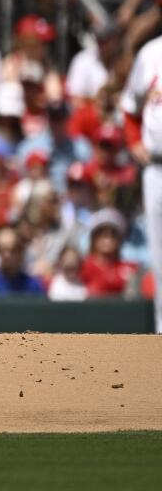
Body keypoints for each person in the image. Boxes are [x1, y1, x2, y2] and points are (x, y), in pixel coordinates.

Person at [119, 32, 162, 331]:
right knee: (160, 256)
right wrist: (134, 141)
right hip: (156, 169)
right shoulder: (150, 52)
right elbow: (129, 107)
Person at [0, 226, 46, 298]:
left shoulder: (32, 285)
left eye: (12, 249)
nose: (7, 255)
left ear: (20, 251)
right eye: (2, 250)